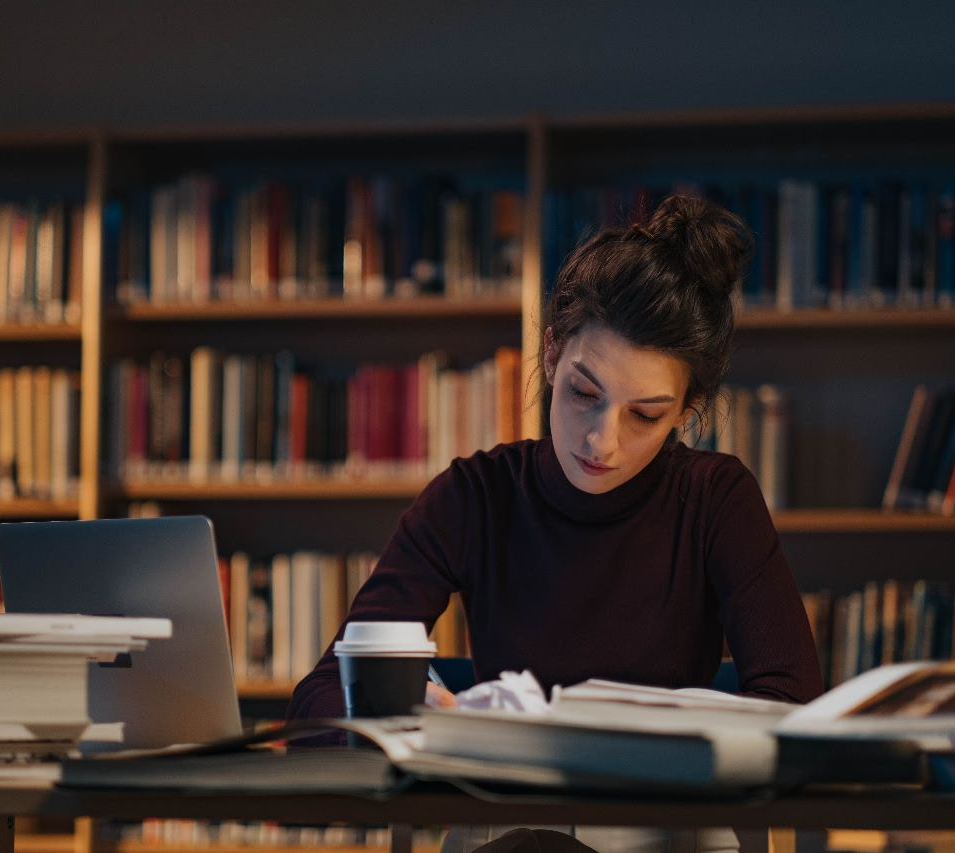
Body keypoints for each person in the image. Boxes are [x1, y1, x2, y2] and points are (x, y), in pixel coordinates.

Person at [287, 193, 825, 852]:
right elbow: (318, 695)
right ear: (550, 353)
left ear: (688, 409)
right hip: (511, 830)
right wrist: (402, 716)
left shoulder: (716, 500)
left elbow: (795, 707)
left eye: (645, 414)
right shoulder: (474, 496)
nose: (602, 441)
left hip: (664, 832)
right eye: (583, 394)